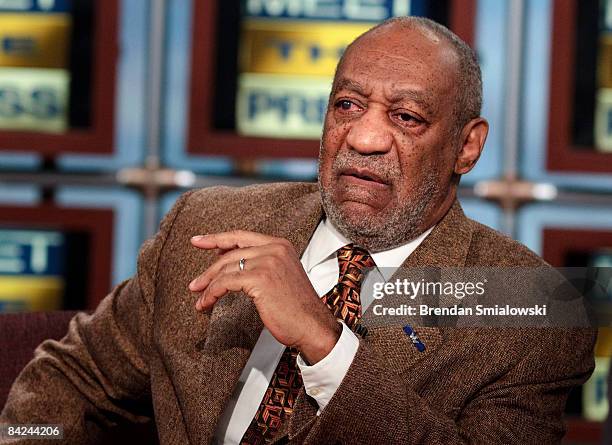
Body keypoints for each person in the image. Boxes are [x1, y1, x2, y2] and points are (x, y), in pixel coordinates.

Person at [0, 17, 595, 445]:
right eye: (348, 106)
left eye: (406, 117)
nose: (363, 139)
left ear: (468, 147)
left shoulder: (532, 305)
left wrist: (324, 342)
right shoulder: (207, 223)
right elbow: (72, 380)